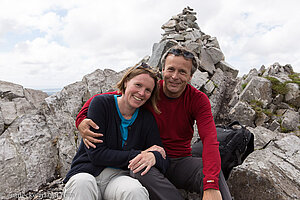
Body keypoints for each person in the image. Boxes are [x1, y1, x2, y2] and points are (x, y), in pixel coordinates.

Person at [76, 45, 232, 200]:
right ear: (163, 70)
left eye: (182, 72)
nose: (175, 76)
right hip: (149, 160)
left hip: (180, 161)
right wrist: (81, 119)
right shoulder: (150, 91)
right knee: (139, 168)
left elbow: (210, 139)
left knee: (212, 170)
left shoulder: (198, 99)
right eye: (170, 69)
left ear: (190, 77)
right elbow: (112, 97)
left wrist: (211, 184)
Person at [63, 63, 174, 200]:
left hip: (119, 177)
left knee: (134, 191)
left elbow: (163, 157)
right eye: (138, 85)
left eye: (148, 90)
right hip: (87, 172)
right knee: (82, 184)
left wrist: (153, 157)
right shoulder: (101, 104)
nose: (141, 93)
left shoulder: (146, 118)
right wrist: (140, 154)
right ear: (126, 82)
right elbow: (97, 154)